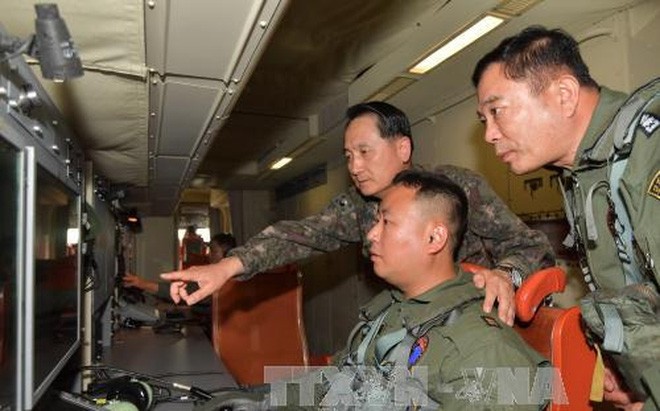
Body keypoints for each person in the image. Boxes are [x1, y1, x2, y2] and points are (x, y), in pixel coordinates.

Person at [162, 101, 555, 326]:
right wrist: (226, 267)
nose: (354, 165)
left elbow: (533, 246)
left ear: (402, 149)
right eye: (349, 155)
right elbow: (298, 235)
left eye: (365, 152)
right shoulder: (358, 206)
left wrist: (507, 274)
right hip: (417, 326)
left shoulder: (456, 189)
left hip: (477, 325)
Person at [205, 170, 549, 410]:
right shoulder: (392, 312)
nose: (371, 235)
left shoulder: (482, 350)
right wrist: (262, 401)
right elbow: (340, 382)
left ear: (434, 238)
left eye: (387, 221)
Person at [472, 25, 659, 410]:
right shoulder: (582, 173)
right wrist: (633, 370)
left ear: (564, 95)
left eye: (497, 111)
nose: (490, 134)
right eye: (484, 119)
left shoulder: (646, 152)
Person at [124, 232, 237, 299]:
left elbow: (186, 290)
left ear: (227, 254)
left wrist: (140, 283)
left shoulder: (225, 280)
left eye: (213, 251)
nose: (209, 255)